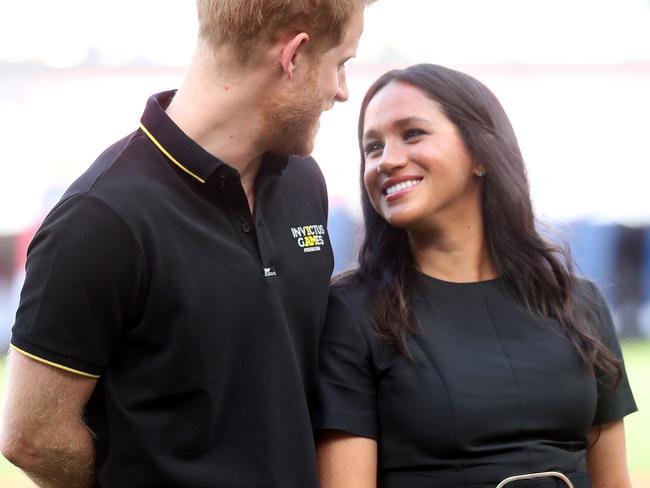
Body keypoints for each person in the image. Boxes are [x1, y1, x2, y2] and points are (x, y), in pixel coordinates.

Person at [0, 1, 374, 486]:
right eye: (340, 63)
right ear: (294, 55)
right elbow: (31, 437)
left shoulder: (303, 181)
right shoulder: (101, 219)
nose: (342, 91)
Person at [314, 64, 637, 488]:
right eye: (372, 148)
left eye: (412, 133)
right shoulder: (353, 313)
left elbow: (613, 481)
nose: (387, 160)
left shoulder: (578, 303)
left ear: (482, 153)